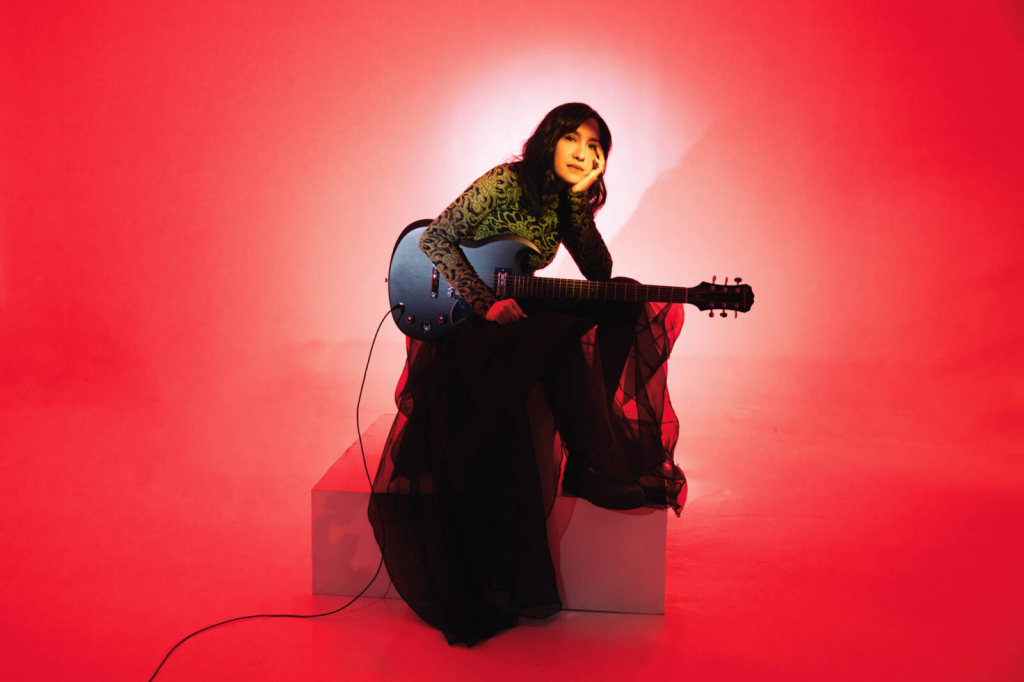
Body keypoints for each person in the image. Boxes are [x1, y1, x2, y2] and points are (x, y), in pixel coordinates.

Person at [368, 103, 686, 646]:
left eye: (595, 147)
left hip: (514, 304)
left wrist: (578, 202)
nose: (584, 153)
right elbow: (434, 239)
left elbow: (600, 272)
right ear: (550, 139)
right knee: (555, 334)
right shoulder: (505, 182)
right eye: (574, 140)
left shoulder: (564, 201)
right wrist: (485, 304)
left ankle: (587, 455)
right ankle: (589, 453)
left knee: (622, 296)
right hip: (470, 321)